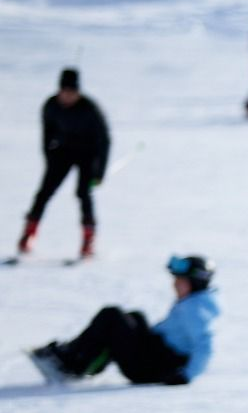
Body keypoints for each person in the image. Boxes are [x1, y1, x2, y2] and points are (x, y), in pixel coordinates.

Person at [27, 255, 218, 386]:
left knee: (113, 316)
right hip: (156, 357)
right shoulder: (193, 303)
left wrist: (186, 376)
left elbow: (205, 344)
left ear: (196, 283)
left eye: (180, 281)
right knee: (136, 317)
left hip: (151, 368)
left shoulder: (195, 309)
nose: (174, 285)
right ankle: (80, 359)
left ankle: (70, 365)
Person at [18, 68, 110, 260]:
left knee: (83, 193)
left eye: (72, 92)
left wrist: (99, 172)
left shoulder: (90, 109)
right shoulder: (51, 106)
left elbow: (104, 140)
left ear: (78, 92)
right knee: (44, 192)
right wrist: (49, 158)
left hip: (88, 153)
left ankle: (88, 238)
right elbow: (46, 135)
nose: (68, 96)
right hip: (63, 152)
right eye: (65, 92)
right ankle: (29, 233)